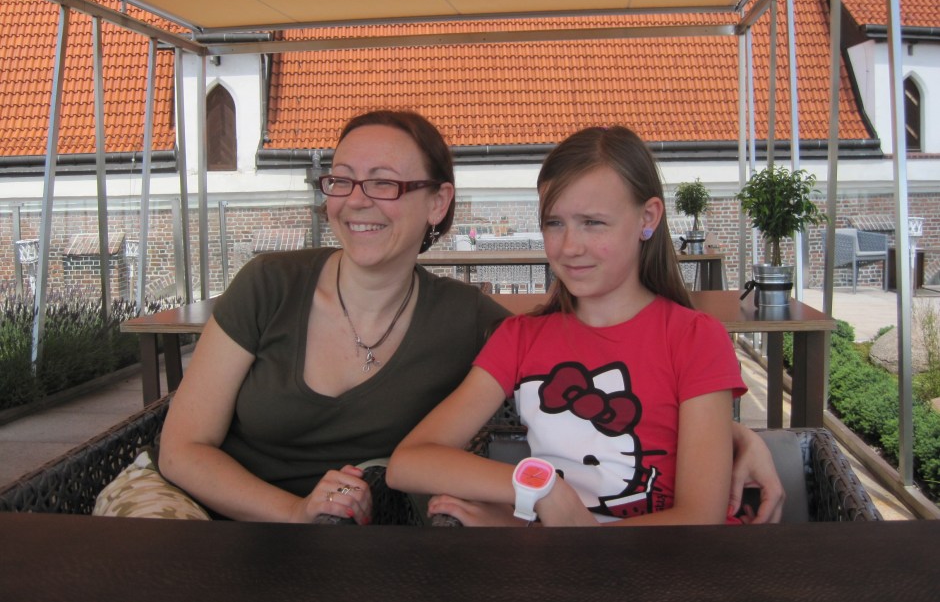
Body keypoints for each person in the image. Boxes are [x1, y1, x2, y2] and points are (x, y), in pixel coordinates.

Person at [98, 111, 782, 524]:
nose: (357, 199)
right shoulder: (269, 284)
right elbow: (182, 448)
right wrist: (293, 514)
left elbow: (641, 384)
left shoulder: (476, 321)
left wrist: (739, 438)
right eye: (341, 178)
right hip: (202, 512)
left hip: (347, 535)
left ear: (437, 203)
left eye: (386, 182)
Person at [388, 125, 753, 526]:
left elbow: (701, 518)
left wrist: (556, 537)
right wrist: (539, 488)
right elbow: (408, 463)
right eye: (554, 223)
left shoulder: (695, 338)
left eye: (593, 223)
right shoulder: (520, 339)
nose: (568, 247)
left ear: (647, 218)